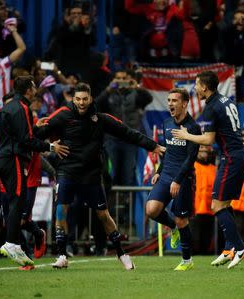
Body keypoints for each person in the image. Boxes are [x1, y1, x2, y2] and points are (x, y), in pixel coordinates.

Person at [34, 82, 165, 270]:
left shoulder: (101, 119)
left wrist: (153, 146)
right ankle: (62, 255)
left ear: (91, 98)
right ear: (73, 99)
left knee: (103, 215)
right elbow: (37, 135)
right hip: (67, 171)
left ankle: (122, 254)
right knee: (61, 211)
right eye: (77, 99)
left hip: (92, 173)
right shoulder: (62, 114)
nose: (81, 103)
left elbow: (128, 133)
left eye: (84, 99)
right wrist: (44, 137)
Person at [171, 71, 244, 269]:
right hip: (239, 156)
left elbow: (208, 140)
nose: (195, 89)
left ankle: (241, 249)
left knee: (217, 206)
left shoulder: (212, 107)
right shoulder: (226, 100)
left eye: (197, 85)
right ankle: (229, 248)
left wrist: (185, 135)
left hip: (231, 158)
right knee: (225, 203)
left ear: (204, 87)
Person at [0, 76, 69, 267]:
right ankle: (11, 243)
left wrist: (35, 128)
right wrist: (51, 147)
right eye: (34, 86)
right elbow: (25, 141)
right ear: (28, 90)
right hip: (13, 159)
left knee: (15, 201)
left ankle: (14, 243)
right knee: (18, 201)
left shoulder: (8, 108)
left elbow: (17, 135)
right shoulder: (22, 108)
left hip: (3, 158)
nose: (36, 89)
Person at [147, 88, 201, 271]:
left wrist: (177, 180)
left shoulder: (193, 128)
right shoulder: (167, 123)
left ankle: (187, 260)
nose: (170, 103)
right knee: (151, 210)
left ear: (184, 104)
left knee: (181, 219)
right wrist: (159, 171)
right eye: (169, 100)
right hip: (167, 174)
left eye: (174, 101)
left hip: (183, 177)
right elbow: (168, 151)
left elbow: (190, 158)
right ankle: (172, 228)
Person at [95, 69, 153, 186]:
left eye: (124, 78)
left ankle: (126, 203)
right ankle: (111, 203)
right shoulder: (109, 94)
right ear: (113, 80)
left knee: (128, 175)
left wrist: (137, 87)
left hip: (130, 140)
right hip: (111, 140)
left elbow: (149, 98)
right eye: (118, 78)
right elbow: (96, 105)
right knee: (112, 174)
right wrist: (108, 90)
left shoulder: (135, 94)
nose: (121, 81)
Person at [192, 145, 216, 255]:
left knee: (207, 239)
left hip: (210, 209)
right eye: (201, 150)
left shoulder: (214, 169)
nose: (203, 152)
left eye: (205, 150)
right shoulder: (192, 166)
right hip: (194, 209)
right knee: (194, 240)